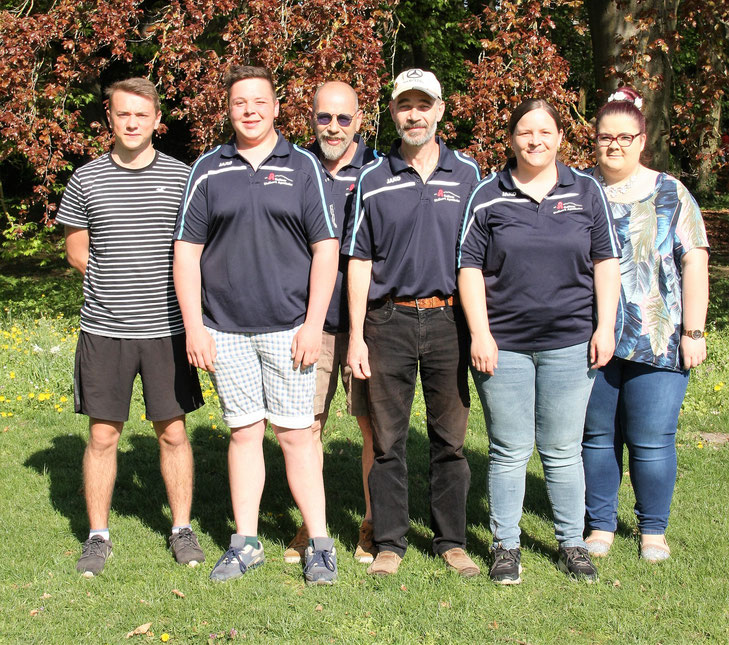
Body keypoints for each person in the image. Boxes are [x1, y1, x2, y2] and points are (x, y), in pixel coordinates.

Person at [173, 65, 340, 585]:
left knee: (297, 437)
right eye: (240, 102)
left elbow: (326, 249)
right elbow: (186, 252)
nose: (250, 110)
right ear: (229, 108)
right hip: (224, 330)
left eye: (259, 101)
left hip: (289, 328)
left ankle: (319, 543)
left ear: (275, 107)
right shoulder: (207, 169)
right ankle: (245, 543)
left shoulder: (304, 166)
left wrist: (314, 323)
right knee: (244, 433)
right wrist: (195, 325)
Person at [457, 98, 621, 584]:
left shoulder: (587, 191)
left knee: (562, 449)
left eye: (545, 132)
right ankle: (505, 546)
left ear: (560, 138)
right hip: (503, 344)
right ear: (511, 139)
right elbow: (468, 267)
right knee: (509, 450)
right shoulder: (488, 195)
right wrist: (480, 333)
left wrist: (605, 326)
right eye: (525, 132)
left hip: (571, 342)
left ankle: (572, 543)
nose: (535, 140)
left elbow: (606, 263)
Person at [56, 77, 205, 578]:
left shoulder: (183, 178)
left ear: (157, 120)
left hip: (167, 330)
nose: (133, 123)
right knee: (102, 435)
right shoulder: (86, 179)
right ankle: (98, 536)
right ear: (110, 120)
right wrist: (113, 279)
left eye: (142, 115)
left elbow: (196, 250)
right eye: (124, 114)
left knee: (173, 432)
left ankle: (181, 528)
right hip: (105, 328)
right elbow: (77, 249)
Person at [345, 69, 482, 577]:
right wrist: (356, 334)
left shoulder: (469, 176)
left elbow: (483, 258)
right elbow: (358, 259)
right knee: (387, 441)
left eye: (424, 105)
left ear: (441, 111)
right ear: (394, 112)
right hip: (388, 323)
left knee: (450, 439)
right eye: (406, 105)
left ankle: (451, 540)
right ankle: (390, 542)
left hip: (450, 323)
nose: (415, 114)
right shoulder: (372, 180)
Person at [582, 88, 709, 562]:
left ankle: (653, 529)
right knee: (595, 436)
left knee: (652, 438)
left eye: (623, 137)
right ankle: (600, 525)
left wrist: (693, 332)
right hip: (593, 334)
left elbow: (694, 260)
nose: (613, 145)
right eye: (604, 137)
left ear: (641, 140)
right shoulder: (579, 188)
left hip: (658, 337)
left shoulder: (671, 192)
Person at [283, 81, 379, 565]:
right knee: (307, 426)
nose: (334, 127)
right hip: (310, 322)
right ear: (312, 118)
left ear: (360, 120)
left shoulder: (381, 170)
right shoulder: (296, 168)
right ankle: (311, 522)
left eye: (344, 119)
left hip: (370, 323)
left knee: (371, 426)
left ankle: (370, 521)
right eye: (325, 118)